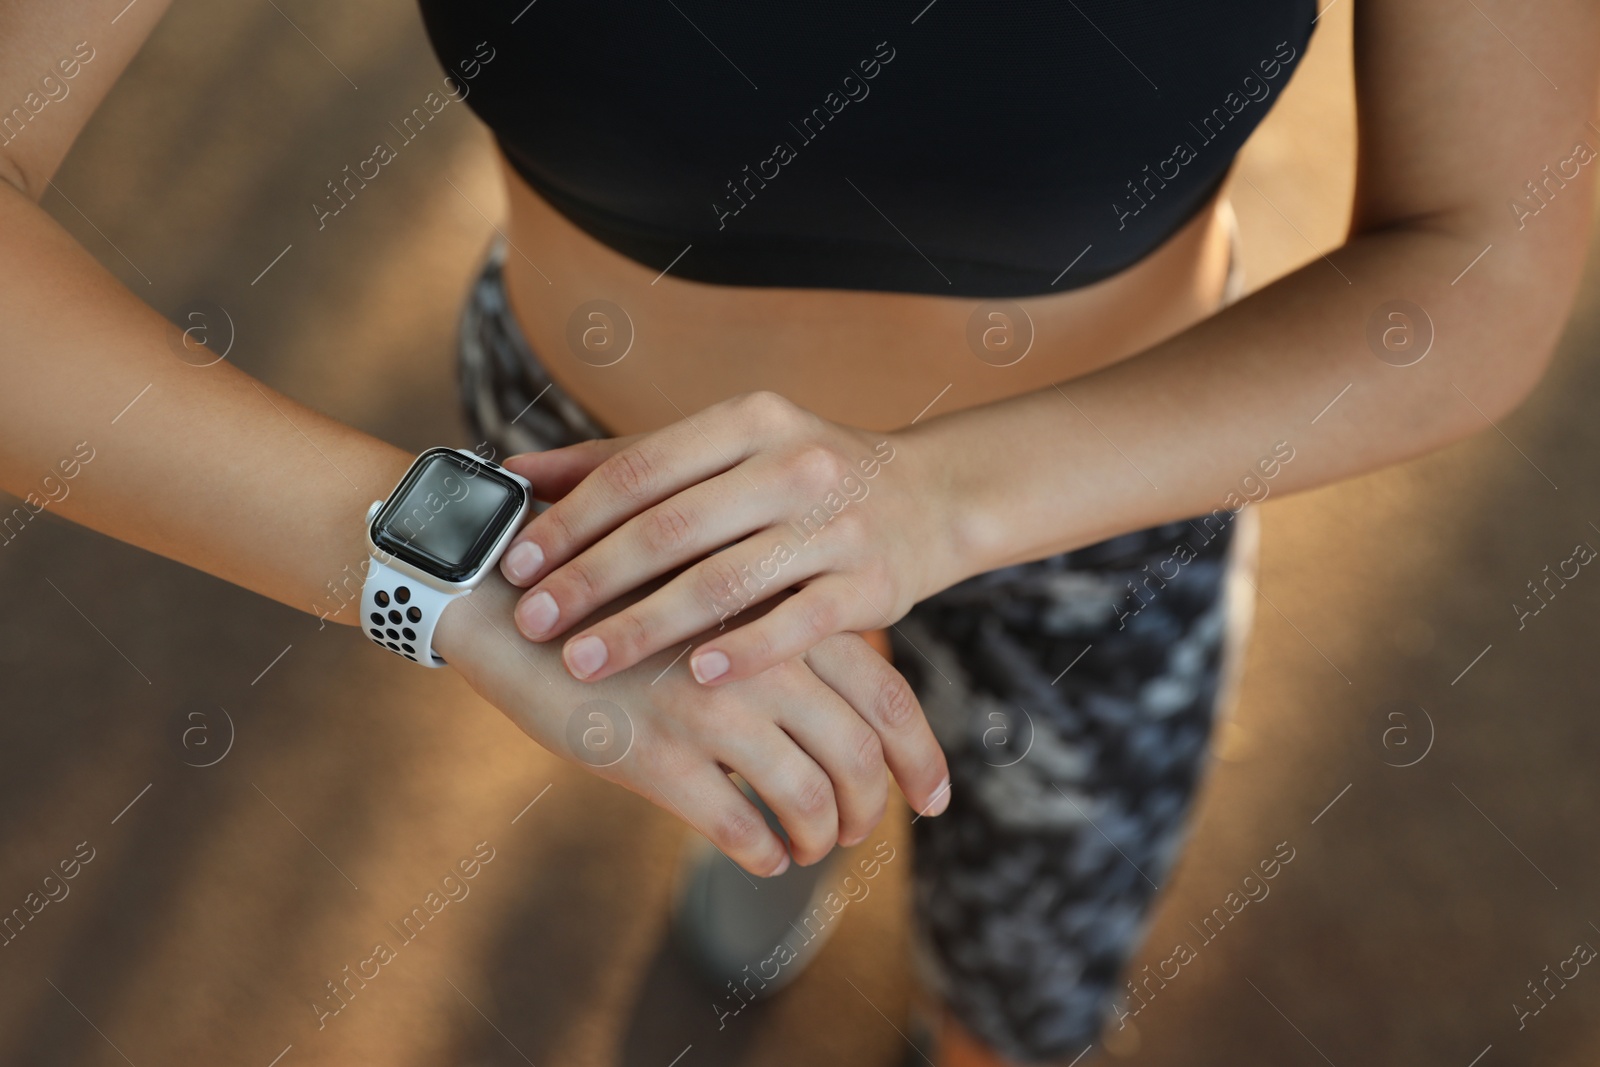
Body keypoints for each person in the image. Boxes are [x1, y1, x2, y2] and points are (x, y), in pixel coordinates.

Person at [3, 1, 1596, 1064]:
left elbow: (1480, 258)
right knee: (754, 793)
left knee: (1028, 1003)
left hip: (1103, 519)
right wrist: (452, 576)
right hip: (583, 514)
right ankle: (774, 838)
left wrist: (934, 502)